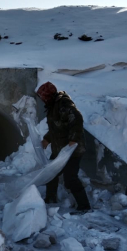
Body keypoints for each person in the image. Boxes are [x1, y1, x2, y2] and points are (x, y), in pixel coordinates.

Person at [36, 82, 91, 213]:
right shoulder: (53, 105)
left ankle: (84, 206)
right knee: (51, 172)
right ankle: (50, 199)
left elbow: (77, 119)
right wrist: (47, 139)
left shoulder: (63, 104)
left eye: (43, 96)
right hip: (59, 149)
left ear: (48, 95)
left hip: (73, 150)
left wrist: (73, 140)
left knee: (70, 178)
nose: (42, 99)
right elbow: (57, 127)